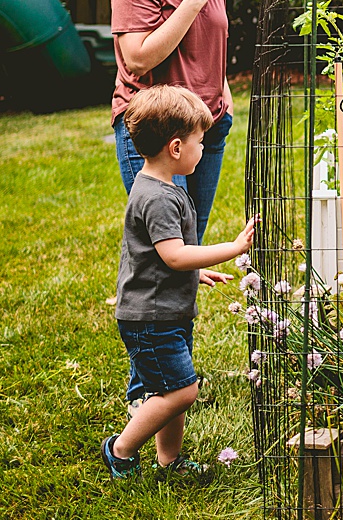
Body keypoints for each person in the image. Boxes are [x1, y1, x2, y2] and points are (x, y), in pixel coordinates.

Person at [102, 85, 257, 480]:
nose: (202, 149)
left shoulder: (163, 187)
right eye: (199, 142)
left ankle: (169, 460)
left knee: (174, 389)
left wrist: (196, 272)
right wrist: (231, 247)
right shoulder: (157, 197)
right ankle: (120, 450)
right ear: (175, 148)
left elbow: (161, 258)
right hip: (150, 318)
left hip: (166, 311)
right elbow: (173, 254)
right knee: (181, 390)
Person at [112, 0, 234, 243]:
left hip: (208, 125)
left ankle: (182, 305)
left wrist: (223, 94)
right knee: (163, 248)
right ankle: (138, 303)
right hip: (156, 129)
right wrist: (191, 3)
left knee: (190, 243)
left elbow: (214, 38)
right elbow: (137, 59)